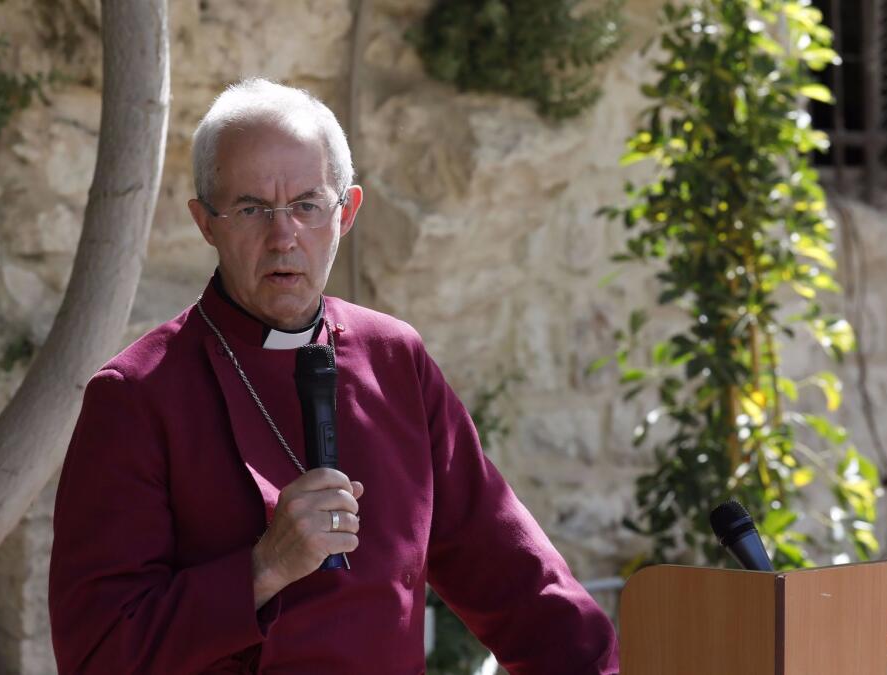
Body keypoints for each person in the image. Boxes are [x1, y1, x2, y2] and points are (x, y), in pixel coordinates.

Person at [48, 77, 619, 674]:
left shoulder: (394, 359)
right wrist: (262, 569)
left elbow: (514, 577)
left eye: (306, 205)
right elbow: (97, 653)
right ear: (205, 222)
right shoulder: (137, 396)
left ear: (345, 213)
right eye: (251, 209)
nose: (282, 236)